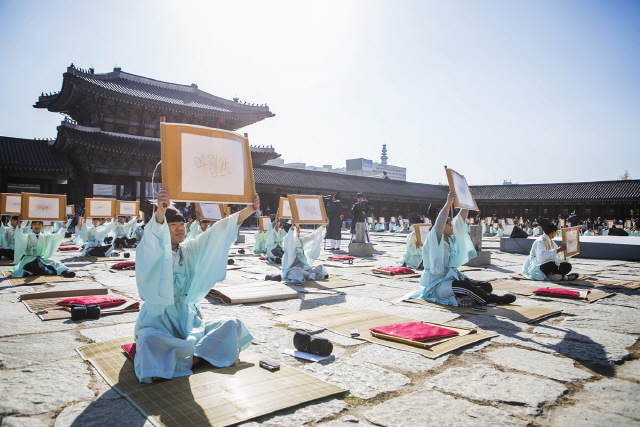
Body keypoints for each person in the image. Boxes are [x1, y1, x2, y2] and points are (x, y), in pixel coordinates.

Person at [133, 189, 258, 383]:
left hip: (188, 319)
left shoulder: (189, 248)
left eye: (181, 224)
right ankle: (196, 355)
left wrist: (249, 209)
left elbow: (218, 232)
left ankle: (188, 359)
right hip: (159, 320)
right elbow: (153, 238)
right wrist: (159, 212)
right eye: (172, 225)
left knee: (231, 324)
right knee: (149, 342)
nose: (179, 228)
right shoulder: (151, 250)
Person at [406, 191, 516, 307]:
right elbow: (439, 223)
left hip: (451, 277)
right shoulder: (434, 238)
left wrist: (467, 202)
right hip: (436, 283)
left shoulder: (449, 238)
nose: (452, 225)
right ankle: (494, 299)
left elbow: (460, 220)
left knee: (486, 286)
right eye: (448, 223)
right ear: (442, 226)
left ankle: (463, 297)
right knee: (466, 287)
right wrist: (449, 202)